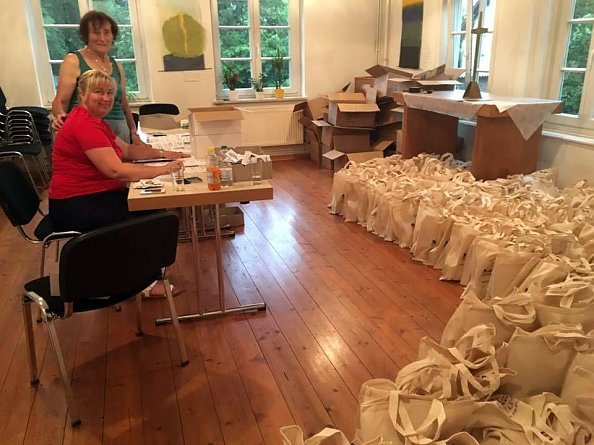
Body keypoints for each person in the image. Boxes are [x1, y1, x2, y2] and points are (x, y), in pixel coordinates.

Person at [51, 10, 141, 144]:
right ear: (86, 36)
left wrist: (134, 133)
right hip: (89, 132)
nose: (102, 38)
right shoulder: (73, 60)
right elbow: (61, 101)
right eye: (96, 32)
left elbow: (124, 104)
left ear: (113, 36)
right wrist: (61, 120)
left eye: (106, 33)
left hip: (120, 132)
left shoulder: (117, 66)